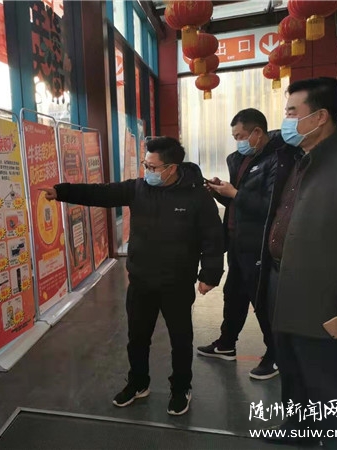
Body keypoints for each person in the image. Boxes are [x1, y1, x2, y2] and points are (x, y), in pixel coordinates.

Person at [41, 137, 224, 416]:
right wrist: (61, 191)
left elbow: (213, 237)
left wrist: (209, 274)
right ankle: (138, 383)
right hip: (141, 281)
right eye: (145, 165)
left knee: (180, 339)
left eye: (152, 167)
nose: (147, 171)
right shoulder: (138, 188)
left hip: (176, 283)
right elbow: (100, 193)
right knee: (137, 338)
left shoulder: (197, 196)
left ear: (172, 168)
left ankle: (180, 388)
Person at [256, 77, 337, 449]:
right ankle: (301, 431)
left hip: (325, 297)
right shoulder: (301, 159)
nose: (286, 120)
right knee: (293, 370)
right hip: (283, 286)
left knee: (335, 382)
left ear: (320, 116)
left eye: (293, 112)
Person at [197, 108, 283, 380]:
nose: (238, 142)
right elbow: (239, 201)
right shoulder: (239, 159)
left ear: (257, 132)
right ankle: (226, 343)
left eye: (240, 136)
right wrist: (221, 192)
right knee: (233, 294)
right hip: (236, 239)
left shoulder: (278, 159)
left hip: (259, 242)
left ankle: (276, 354)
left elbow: (271, 206)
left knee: (261, 299)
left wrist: (234, 193)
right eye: (234, 137)